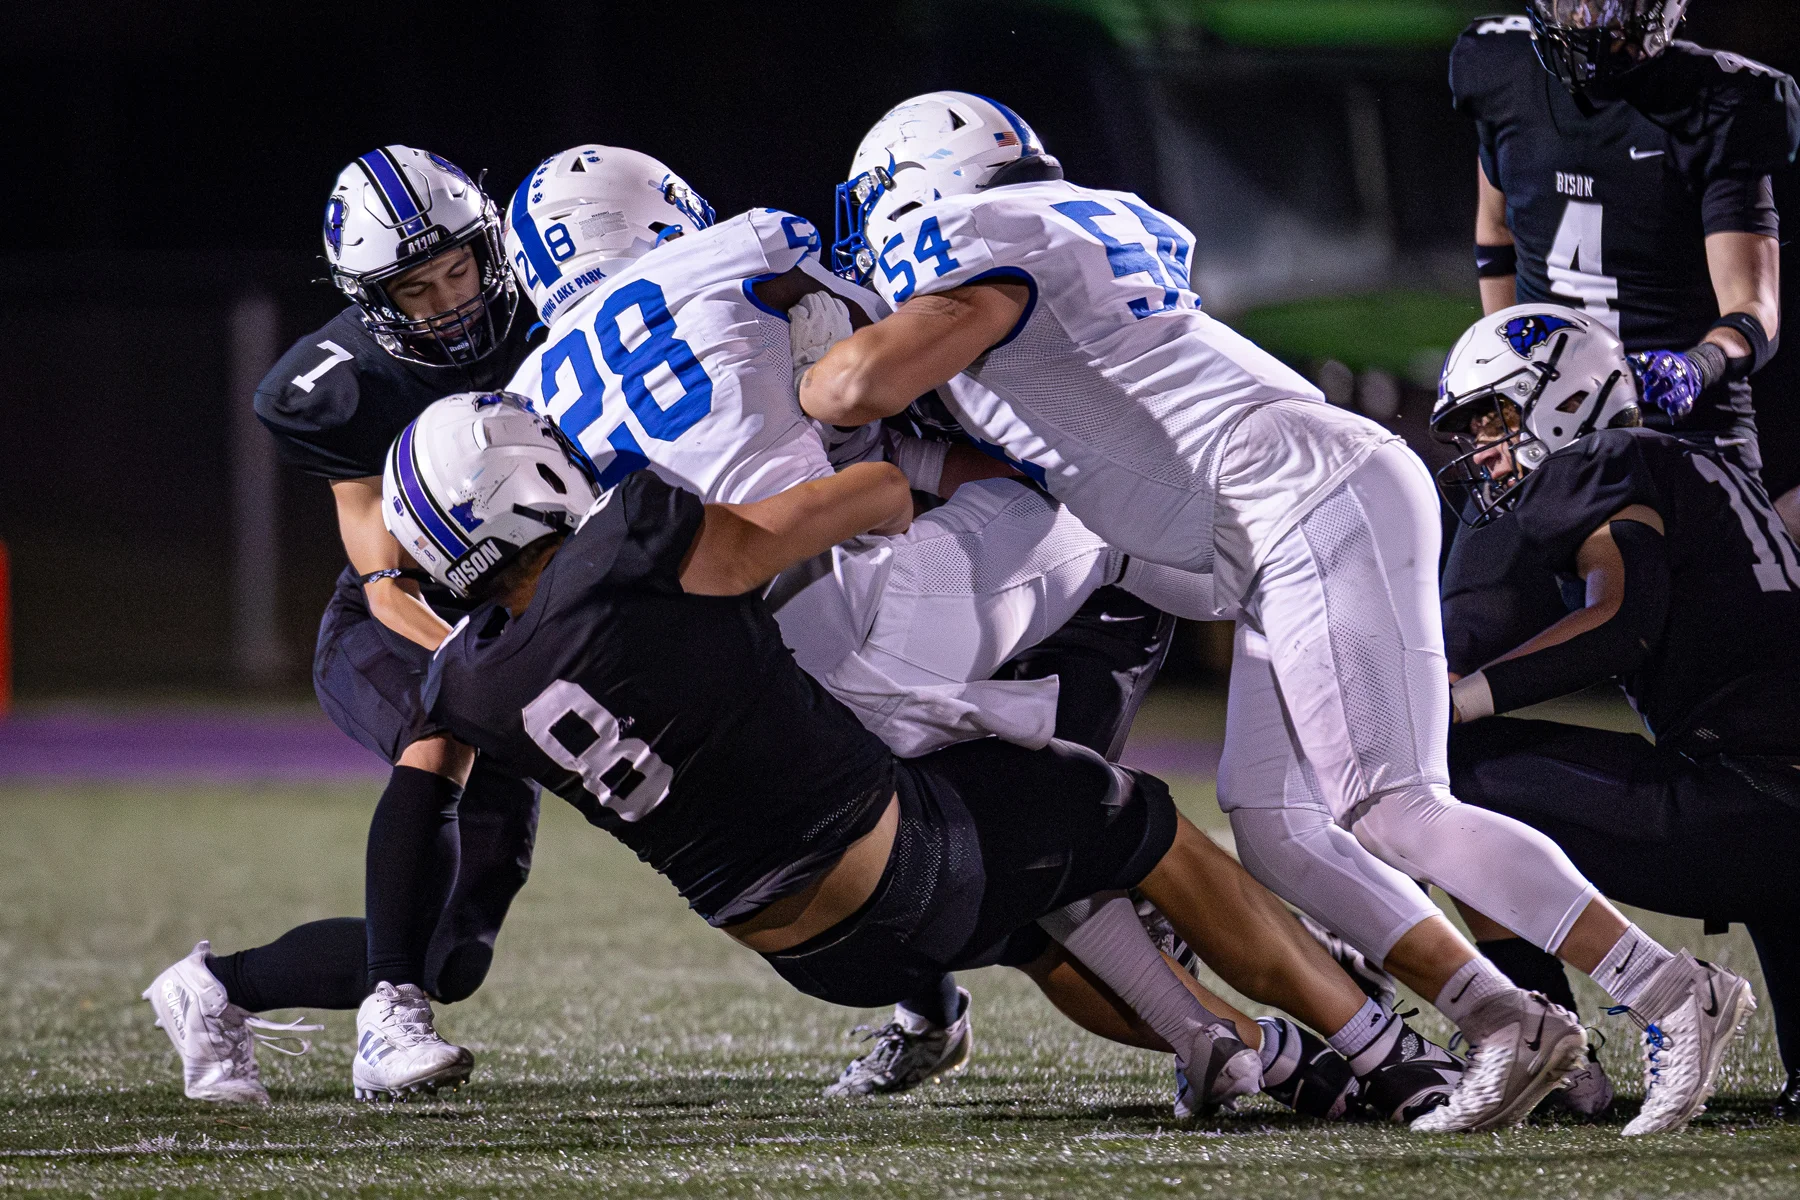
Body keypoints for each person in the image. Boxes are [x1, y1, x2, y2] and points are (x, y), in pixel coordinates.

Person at [802, 90, 1751, 1134]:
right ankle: (1506, 1021)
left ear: (916, 189)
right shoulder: (1057, 229)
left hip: (1305, 496)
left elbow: (855, 386)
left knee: (1396, 808)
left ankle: (1671, 990)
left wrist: (799, 383)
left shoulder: (984, 242)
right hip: (1275, 520)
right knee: (1282, 827)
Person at [496, 145, 1363, 1115]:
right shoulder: (753, 255)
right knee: (1095, 529)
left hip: (770, 711)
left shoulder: (531, 402)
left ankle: (1221, 1041)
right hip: (878, 614)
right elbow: (882, 384)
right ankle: (1298, 588)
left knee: (1040, 857)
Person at [391, 392, 1446, 1115]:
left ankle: (1248, 1052)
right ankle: (1379, 1055)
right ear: (520, 479)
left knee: (1036, 913)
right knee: (1134, 823)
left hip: (813, 957)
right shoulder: (626, 544)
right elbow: (832, 516)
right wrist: (885, 473)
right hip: (903, 858)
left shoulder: (465, 687)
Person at [143, 147, 542, 1104]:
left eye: (461, 270)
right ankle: (387, 1022)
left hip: (522, 611)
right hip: (398, 619)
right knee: (446, 723)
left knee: (456, 949)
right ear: (375, 300)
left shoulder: (551, 312)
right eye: (419, 287)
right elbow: (382, 577)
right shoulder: (339, 384)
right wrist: (484, 657)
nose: (451, 299)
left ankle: (216, 989)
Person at [1433, 301, 1798, 1122]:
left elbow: (1617, 621)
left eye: (1496, 420)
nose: (1488, 455)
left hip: (1756, 800)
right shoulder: (1697, 463)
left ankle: (1544, 1045)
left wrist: (1462, 698)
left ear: (1563, 395)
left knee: (1448, 776)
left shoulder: (1607, 458)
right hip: (1772, 800)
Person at [1444, 3, 1797, 675]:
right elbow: (1496, 234)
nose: (1584, 13)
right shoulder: (1500, 67)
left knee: (1729, 701)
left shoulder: (1719, 99)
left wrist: (1694, 366)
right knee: (1453, 667)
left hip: (1677, 433)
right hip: (1538, 436)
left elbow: (1754, 307)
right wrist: (1496, 388)